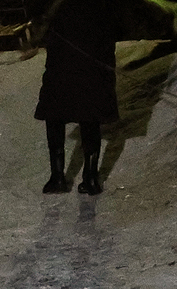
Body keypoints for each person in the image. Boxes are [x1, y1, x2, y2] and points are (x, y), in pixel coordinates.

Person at [33, 0, 118, 195]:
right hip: (90, 62)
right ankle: (90, 178)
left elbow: (44, 18)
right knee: (89, 115)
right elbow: (111, 27)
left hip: (64, 62)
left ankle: (58, 177)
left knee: (55, 115)